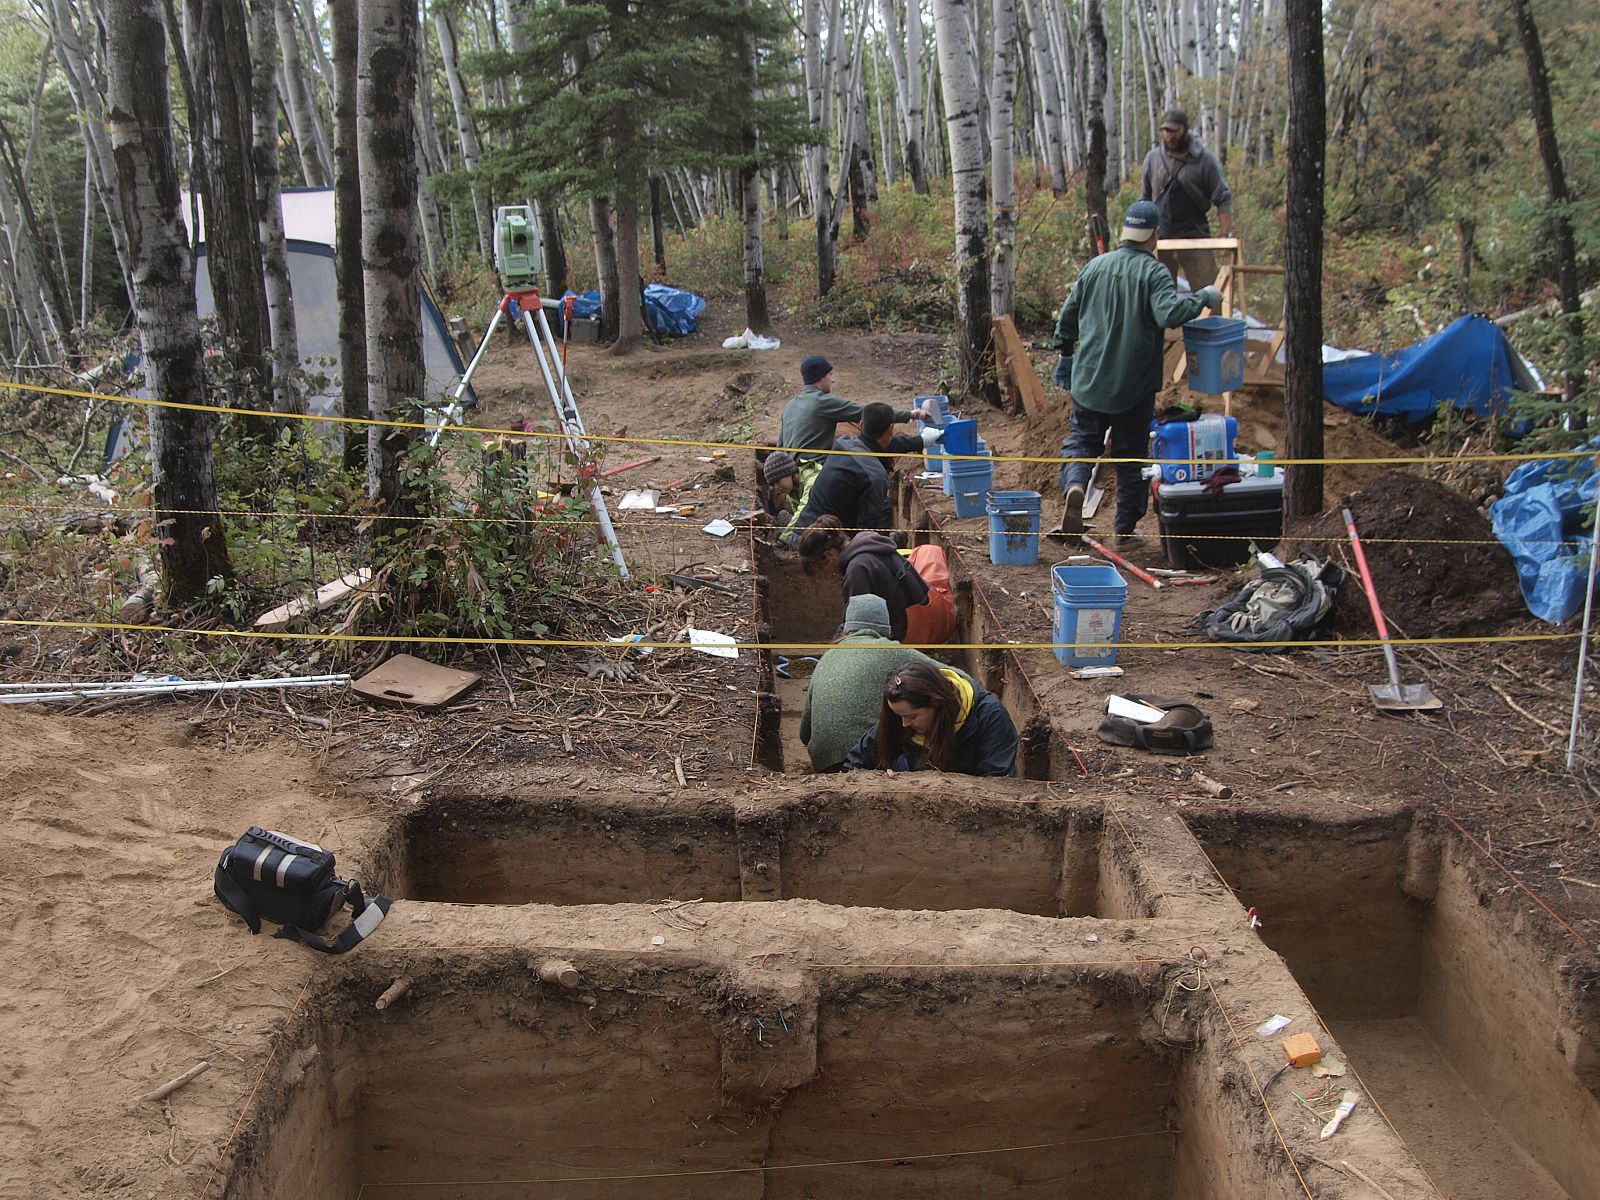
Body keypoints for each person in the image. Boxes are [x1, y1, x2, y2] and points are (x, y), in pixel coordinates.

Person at [1052, 199, 1220, 545]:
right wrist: (1203, 295)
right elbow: (1169, 315)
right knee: (1130, 457)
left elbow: (1068, 316)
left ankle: (1075, 486)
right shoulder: (1153, 271)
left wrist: (1066, 353)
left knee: (1081, 443)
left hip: (1090, 382)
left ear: (1127, 231)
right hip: (1133, 386)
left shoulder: (1095, 266)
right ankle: (1125, 530)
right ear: (1155, 234)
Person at [799, 594, 962, 773]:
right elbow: (957, 676)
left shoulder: (828, 656)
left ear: (848, 626)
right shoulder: (891, 650)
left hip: (824, 766)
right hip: (868, 761)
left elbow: (804, 733)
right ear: (886, 624)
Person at [843, 661, 1017, 777]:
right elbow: (856, 762)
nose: (904, 724)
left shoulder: (989, 717)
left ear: (936, 703)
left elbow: (997, 783)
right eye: (899, 716)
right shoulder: (900, 716)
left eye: (912, 716)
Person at [787, 402, 924, 547]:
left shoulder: (843, 444)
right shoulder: (875, 477)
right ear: (891, 428)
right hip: (819, 549)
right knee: (883, 512)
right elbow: (865, 533)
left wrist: (920, 442)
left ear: (861, 423)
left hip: (799, 536)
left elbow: (882, 445)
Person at [1139, 107, 1234, 292]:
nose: (1169, 135)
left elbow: (1223, 197)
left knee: (1209, 293)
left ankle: (1210, 321)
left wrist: (1225, 235)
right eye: (1166, 130)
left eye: (1174, 131)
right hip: (1160, 238)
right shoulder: (1153, 159)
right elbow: (1144, 200)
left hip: (1195, 235)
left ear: (1185, 129)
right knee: (1158, 296)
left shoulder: (1205, 160)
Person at [797, 516, 930, 642]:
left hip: (911, 631)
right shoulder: (868, 543)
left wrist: (831, 654)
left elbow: (855, 628)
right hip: (925, 615)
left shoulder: (857, 570)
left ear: (828, 556)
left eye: (821, 570)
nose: (827, 576)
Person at [778, 356, 929, 465]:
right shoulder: (822, 402)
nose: (833, 380)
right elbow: (870, 413)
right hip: (815, 471)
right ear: (820, 378)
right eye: (830, 375)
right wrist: (912, 414)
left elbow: (780, 447)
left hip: (792, 474)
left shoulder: (790, 405)